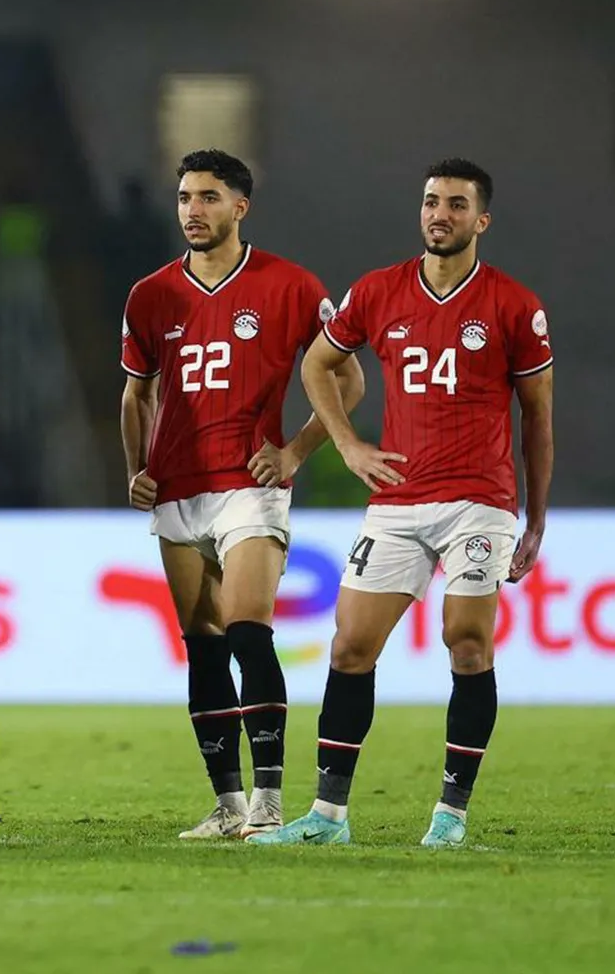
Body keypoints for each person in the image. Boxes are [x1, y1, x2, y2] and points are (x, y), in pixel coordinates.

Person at [254, 158, 553, 848]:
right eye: (431, 202)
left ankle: (450, 815)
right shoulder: (377, 291)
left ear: (482, 220)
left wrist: (536, 521)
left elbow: (538, 418)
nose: (439, 214)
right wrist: (348, 445)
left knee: (466, 643)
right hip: (397, 500)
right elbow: (318, 363)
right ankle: (327, 817)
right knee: (350, 646)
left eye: (456, 204)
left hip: (479, 501)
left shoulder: (514, 305)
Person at [118, 149, 364, 839]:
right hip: (178, 490)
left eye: (207, 197)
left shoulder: (289, 285)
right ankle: (227, 805)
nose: (192, 210)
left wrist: (294, 452)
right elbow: (136, 393)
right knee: (202, 647)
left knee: (248, 632)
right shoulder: (150, 294)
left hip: (250, 488)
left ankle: (269, 801)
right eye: (184, 197)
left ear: (239, 206)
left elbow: (348, 382)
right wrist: (136, 467)